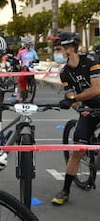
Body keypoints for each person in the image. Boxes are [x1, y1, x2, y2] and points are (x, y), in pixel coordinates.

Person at [51, 32, 100, 206]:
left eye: (58, 49)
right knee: (78, 151)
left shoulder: (91, 62)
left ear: (69, 49)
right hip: (87, 109)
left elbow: (96, 90)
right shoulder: (64, 73)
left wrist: (75, 100)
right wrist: (79, 107)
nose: (55, 53)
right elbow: (70, 96)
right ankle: (65, 190)